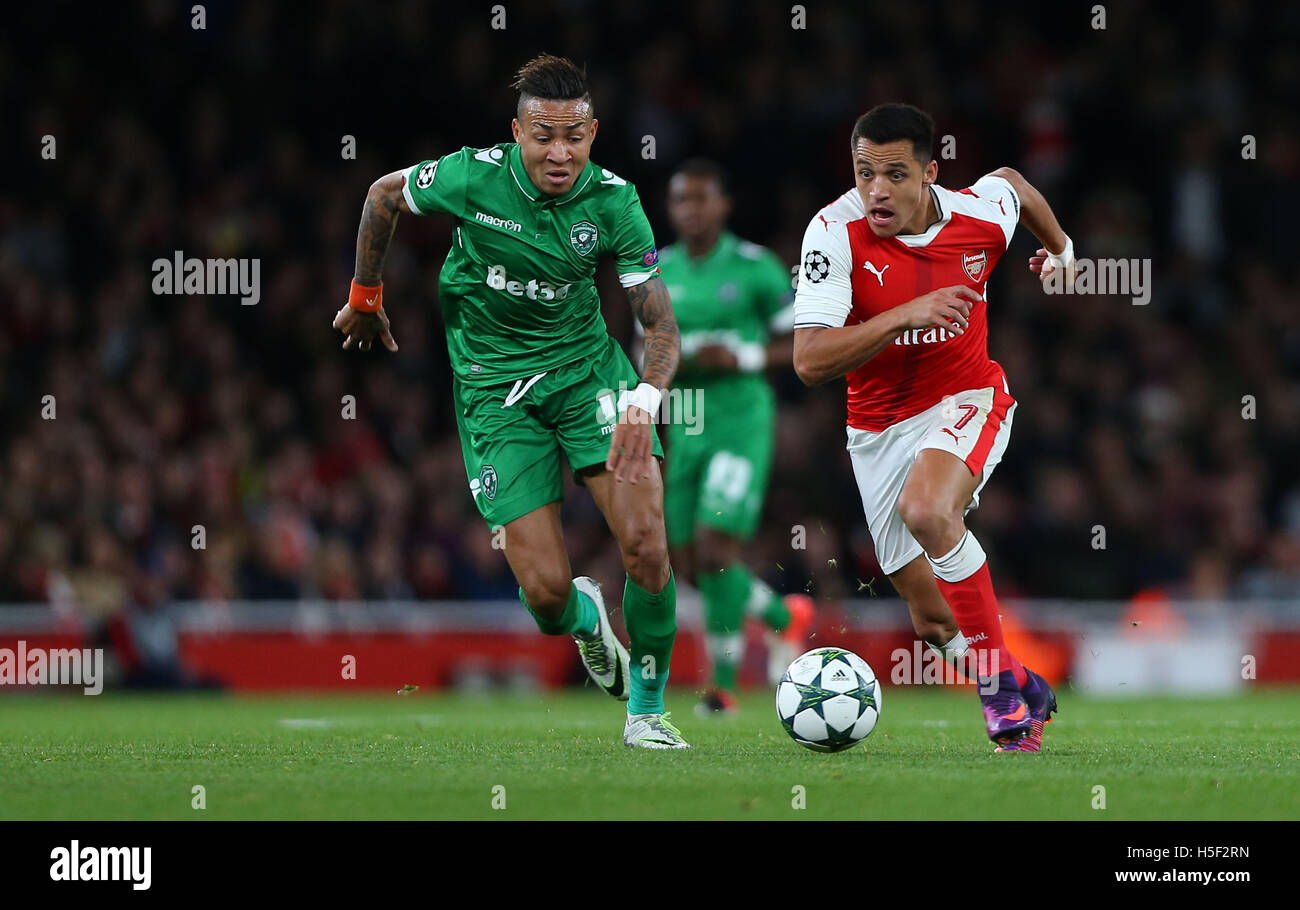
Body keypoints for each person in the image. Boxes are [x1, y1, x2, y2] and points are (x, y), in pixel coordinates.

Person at [332, 55, 690, 749]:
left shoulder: (616, 202)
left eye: (575, 137)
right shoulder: (472, 176)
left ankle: (646, 712)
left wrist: (645, 399)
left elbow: (661, 324)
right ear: (516, 134)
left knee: (646, 542)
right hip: (496, 395)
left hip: (590, 378)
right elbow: (382, 195)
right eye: (543, 136)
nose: (560, 153)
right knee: (549, 598)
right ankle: (587, 621)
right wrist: (365, 297)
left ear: (594, 133)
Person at [792, 103, 1069, 752]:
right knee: (934, 620)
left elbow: (1016, 185)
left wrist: (1062, 250)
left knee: (928, 511)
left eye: (894, 174)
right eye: (864, 173)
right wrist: (902, 314)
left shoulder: (978, 215)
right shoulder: (833, 232)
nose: (876, 191)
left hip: (967, 397)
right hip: (876, 430)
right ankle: (1020, 679)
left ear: (929, 174)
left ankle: (1002, 701)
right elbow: (808, 361)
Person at [656, 158, 814, 716]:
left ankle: (722, 686)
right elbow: (639, 348)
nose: (691, 210)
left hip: (740, 422)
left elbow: (801, 342)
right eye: (681, 200)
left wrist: (741, 355)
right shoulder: (658, 271)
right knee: (686, 562)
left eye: (702, 199)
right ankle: (780, 616)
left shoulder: (756, 268)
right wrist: (673, 361)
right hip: (685, 423)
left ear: (723, 205)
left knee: (716, 547)